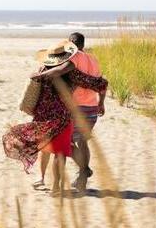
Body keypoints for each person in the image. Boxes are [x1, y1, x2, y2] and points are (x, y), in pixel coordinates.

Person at [3, 40, 107, 194]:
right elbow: (100, 84)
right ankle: (58, 186)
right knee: (61, 153)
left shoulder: (42, 70)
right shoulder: (71, 73)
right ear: (66, 57)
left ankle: (46, 178)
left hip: (43, 117)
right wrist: (101, 99)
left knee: (48, 148)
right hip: (62, 117)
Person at [32, 32, 105, 191]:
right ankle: (81, 178)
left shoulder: (71, 59)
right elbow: (102, 83)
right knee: (81, 142)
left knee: (62, 146)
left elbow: (60, 71)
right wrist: (101, 103)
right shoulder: (92, 60)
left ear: (71, 44)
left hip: (71, 109)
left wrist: (39, 75)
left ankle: (79, 172)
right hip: (90, 108)